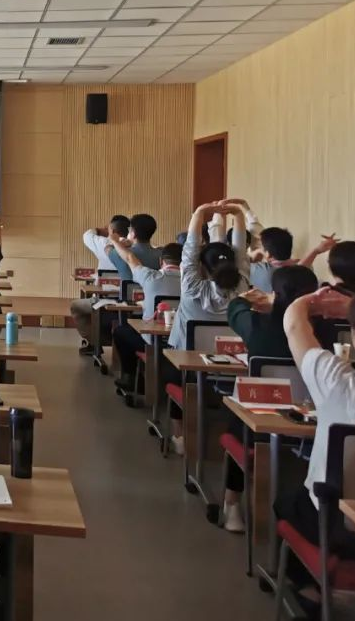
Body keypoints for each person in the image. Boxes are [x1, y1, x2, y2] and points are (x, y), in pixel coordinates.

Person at [275, 286, 355, 586]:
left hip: (342, 530)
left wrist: (308, 303)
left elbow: (294, 325)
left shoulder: (342, 386)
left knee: (287, 503)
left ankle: (310, 591)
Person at [218, 265, 321, 532]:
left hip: (262, 423)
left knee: (236, 418)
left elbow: (235, 310)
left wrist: (246, 299)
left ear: (274, 294)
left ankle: (231, 503)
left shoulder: (258, 326)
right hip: (316, 427)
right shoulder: (327, 331)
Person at [164, 201, 250, 454]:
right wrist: (238, 214)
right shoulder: (242, 287)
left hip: (188, 366)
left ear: (201, 266)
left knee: (171, 374)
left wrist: (200, 212)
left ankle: (180, 436)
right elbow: (241, 252)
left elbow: (189, 251)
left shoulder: (191, 287)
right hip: (233, 368)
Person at [109, 241, 182, 392]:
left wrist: (113, 240)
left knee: (121, 332)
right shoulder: (193, 284)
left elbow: (130, 258)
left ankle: (131, 377)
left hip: (153, 342)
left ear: (161, 261)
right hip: (181, 343)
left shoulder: (150, 277)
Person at [70, 215, 131, 354]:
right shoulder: (136, 247)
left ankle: (95, 342)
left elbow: (87, 235)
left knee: (76, 306)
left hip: (106, 300)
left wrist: (100, 230)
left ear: (112, 231)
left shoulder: (104, 244)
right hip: (133, 302)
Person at [107, 213, 162, 279]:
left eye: (129, 229)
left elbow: (107, 249)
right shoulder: (162, 254)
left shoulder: (119, 253)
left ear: (133, 234)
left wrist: (118, 243)